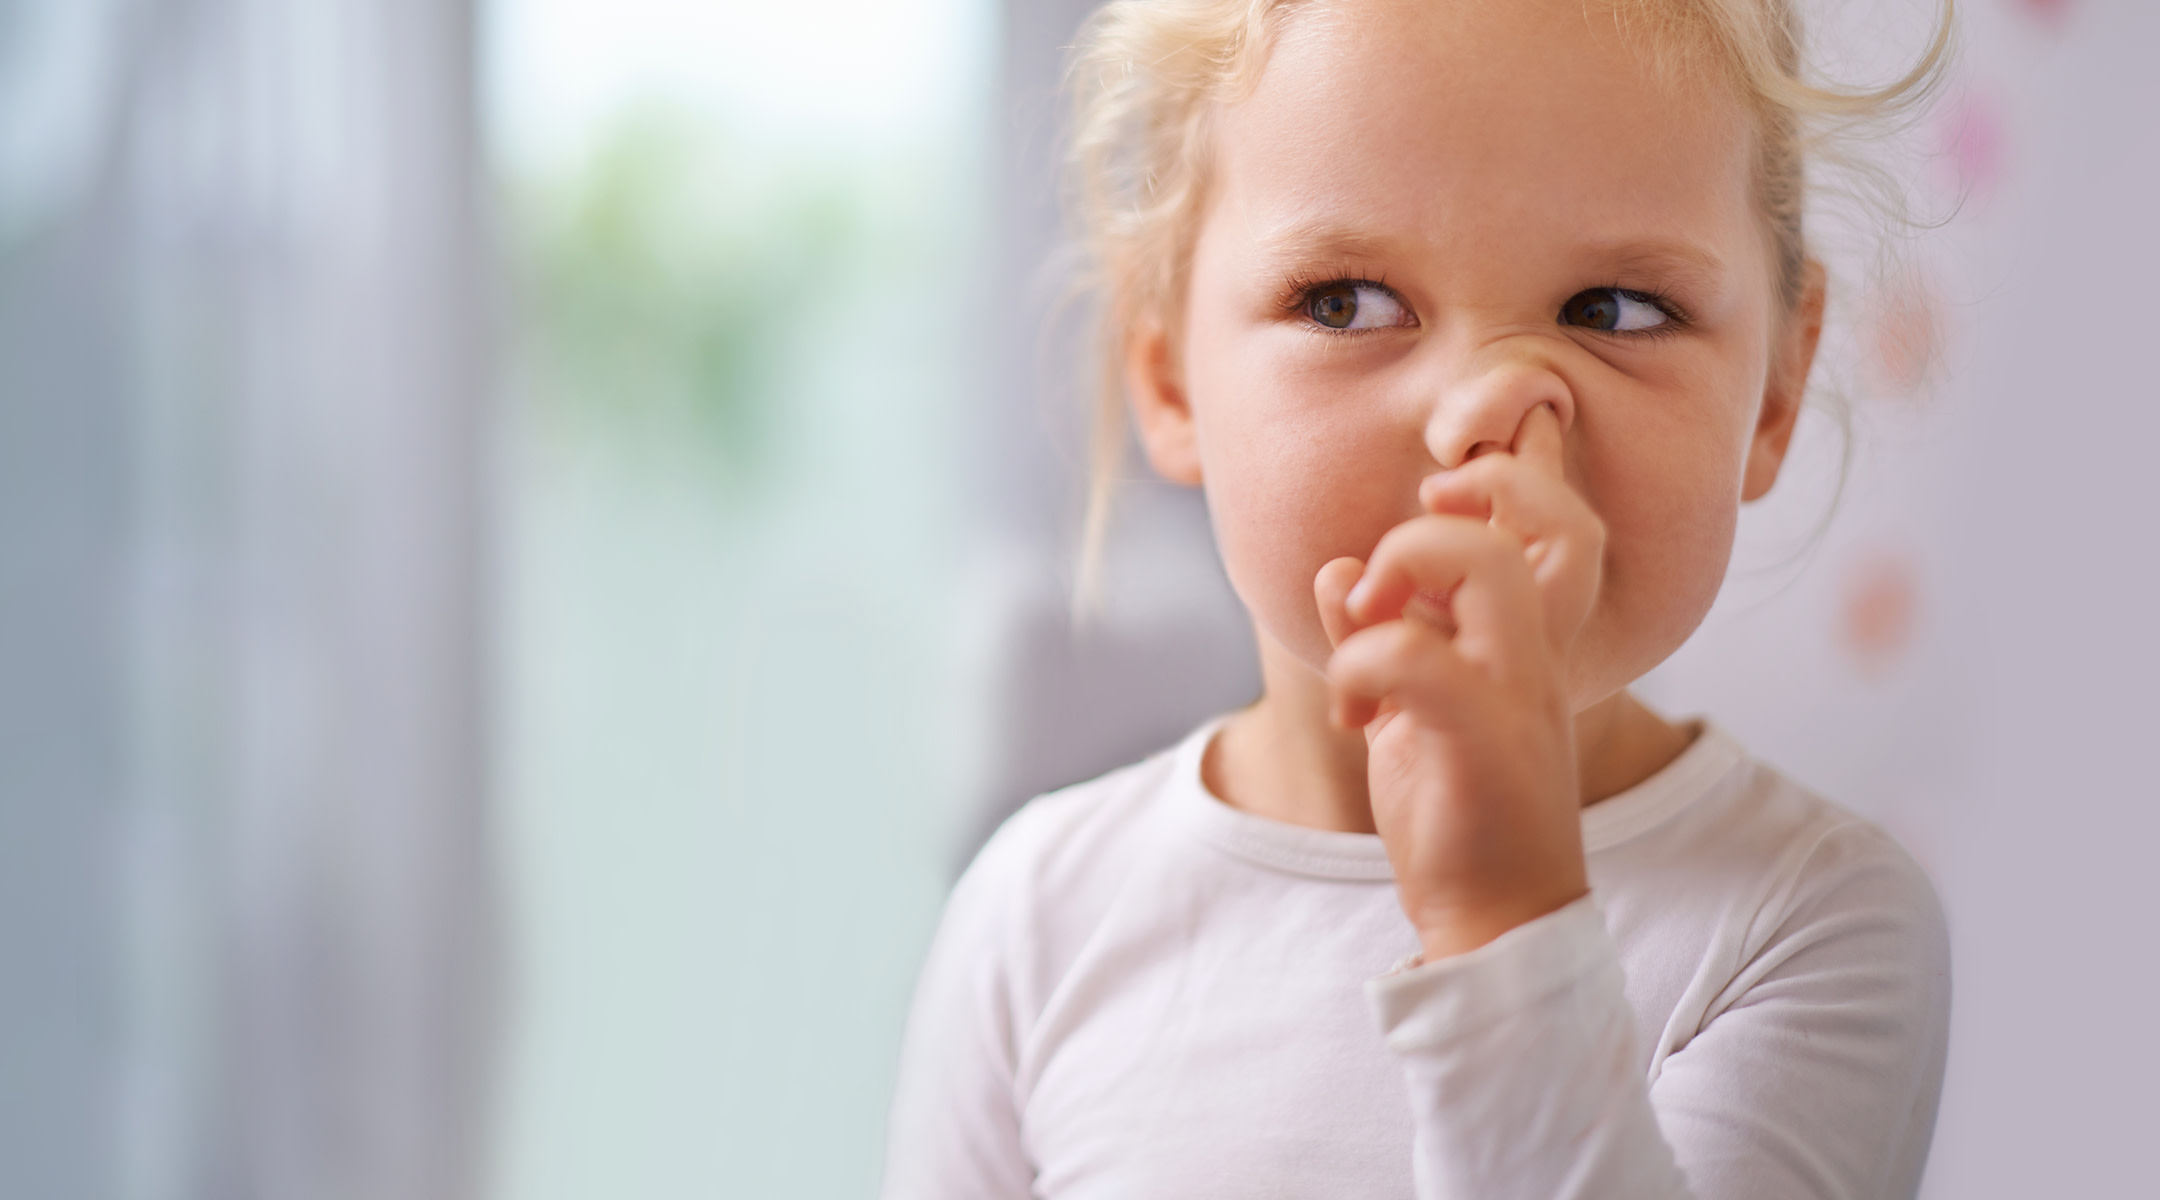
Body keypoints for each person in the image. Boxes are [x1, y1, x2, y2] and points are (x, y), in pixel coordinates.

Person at [883, 0, 1956, 1195]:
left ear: (1775, 390)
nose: (1480, 415)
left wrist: (1508, 922)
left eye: (1612, 311)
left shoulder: (1810, 921)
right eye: (1344, 301)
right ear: (1169, 374)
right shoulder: (1035, 919)